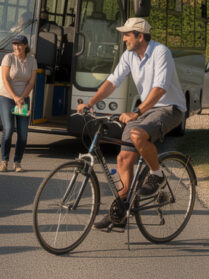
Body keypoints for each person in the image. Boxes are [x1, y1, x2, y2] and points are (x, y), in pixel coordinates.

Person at [76, 17, 187, 231]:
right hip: (147, 109)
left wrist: (136, 112)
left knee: (137, 134)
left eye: (127, 34)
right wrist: (90, 103)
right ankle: (120, 210)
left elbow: (160, 88)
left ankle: (157, 175)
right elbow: (113, 81)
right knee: (123, 158)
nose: (123, 38)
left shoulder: (161, 52)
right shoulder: (129, 55)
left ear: (140, 36)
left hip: (169, 108)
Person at [0, 34, 38, 173]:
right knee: (8, 129)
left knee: (23, 133)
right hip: (7, 97)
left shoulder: (32, 60)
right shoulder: (8, 58)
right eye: (15, 44)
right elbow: (5, 79)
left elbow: (31, 83)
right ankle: (4, 162)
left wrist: (21, 98)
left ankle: (17, 162)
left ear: (25, 45)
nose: (16, 47)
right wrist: (15, 97)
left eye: (19, 44)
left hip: (23, 99)